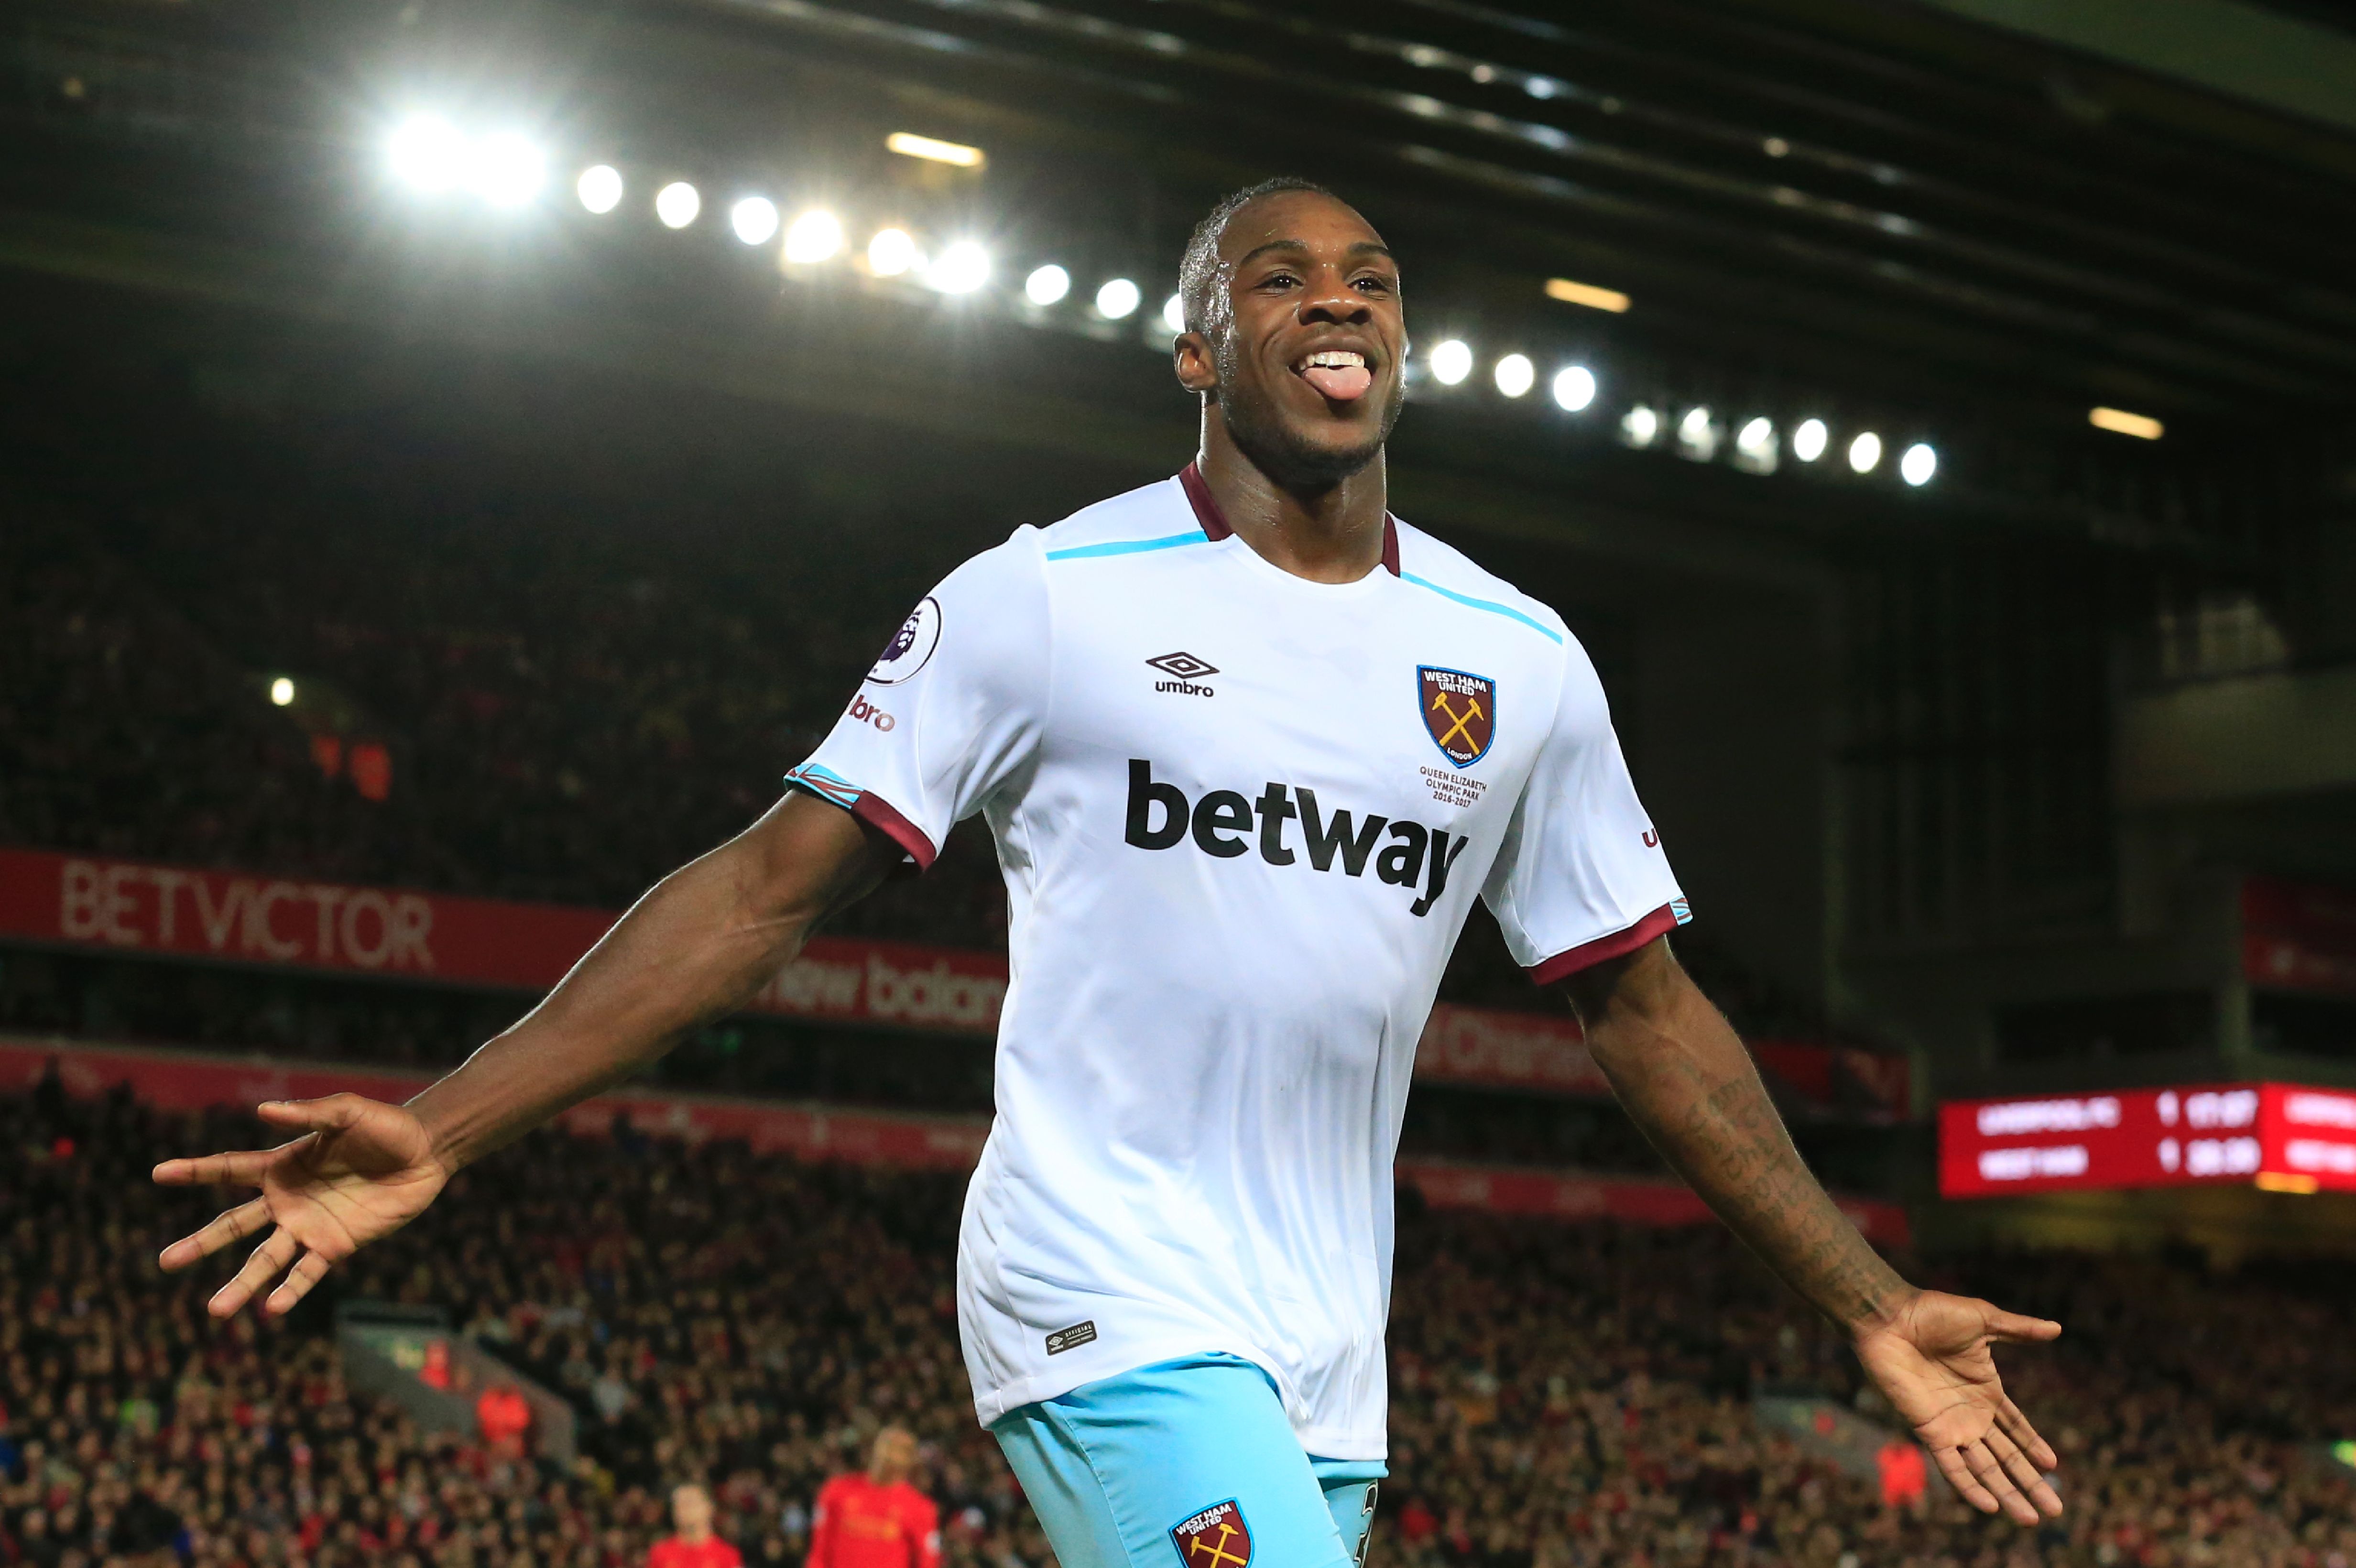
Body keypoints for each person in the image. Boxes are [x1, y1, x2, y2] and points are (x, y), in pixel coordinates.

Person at [154, 178, 2067, 1568]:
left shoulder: (1519, 661)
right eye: (1280, 275)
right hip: (1100, 1285)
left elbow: (1644, 1012)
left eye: (1374, 280)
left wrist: (1858, 1296)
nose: (1341, 302)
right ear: (1196, 346)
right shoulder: (1045, 597)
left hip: (1328, 1341)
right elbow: (763, 887)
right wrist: (448, 1123)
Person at [806, 1428, 939, 1568]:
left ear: (909, 1462)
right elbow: (819, 1552)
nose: (890, 1458)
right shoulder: (837, 1492)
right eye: (887, 1450)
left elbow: (928, 1562)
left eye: (898, 1453)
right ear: (876, 1451)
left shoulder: (920, 1508)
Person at [649, 1484, 742, 1568]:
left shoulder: (727, 1555)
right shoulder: (660, 1553)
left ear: (709, 1508)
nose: (685, 1510)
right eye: (679, 1505)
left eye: (691, 1503)